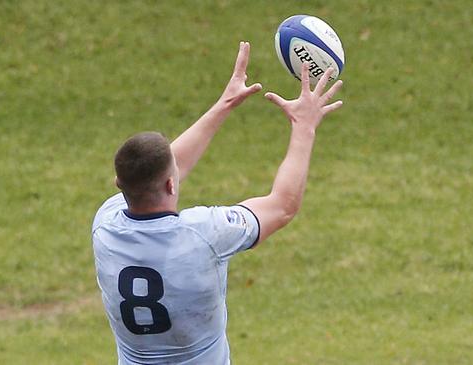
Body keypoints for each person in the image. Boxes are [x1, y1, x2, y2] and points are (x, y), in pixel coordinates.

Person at [92, 41, 343, 364]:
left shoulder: (105, 224)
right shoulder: (203, 235)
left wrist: (225, 105)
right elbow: (283, 206)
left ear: (119, 185)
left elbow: (166, 167)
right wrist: (304, 126)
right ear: (171, 183)